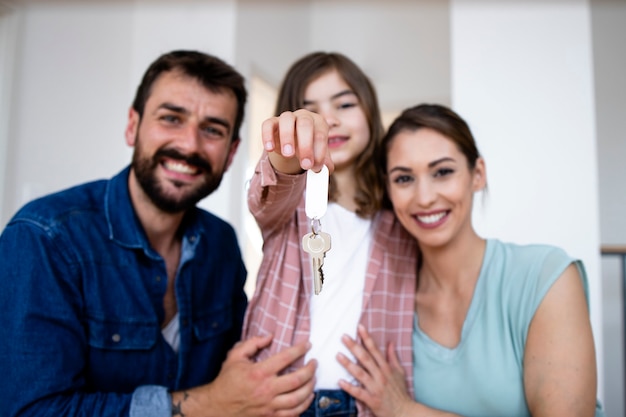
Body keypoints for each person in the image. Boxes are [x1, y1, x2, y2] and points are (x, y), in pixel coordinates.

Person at [0, 50, 317, 417]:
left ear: (231, 154)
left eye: (212, 129)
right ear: (132, 125)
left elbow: (240, 373)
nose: (189, 145)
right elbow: (30, 411)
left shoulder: (220, 243)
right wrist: (209, 403)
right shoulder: (44, 237)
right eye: (171, 118)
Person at [336, 103, 606, 417]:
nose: (424, 197)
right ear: (389, 189)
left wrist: (405, 411)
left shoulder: (545, 277)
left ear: (477, 175)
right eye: (404, 179)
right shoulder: (388, 305)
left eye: (443, 172)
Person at [242, 51, 418, 416]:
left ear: (370, 111)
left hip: (367, 404)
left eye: (345, 103)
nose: (329, 120)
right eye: (309, 110)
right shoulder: (287, 205)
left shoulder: (401, 216)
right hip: (280, 399)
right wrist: (291, 146)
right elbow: (270, 186)